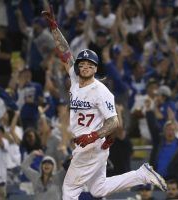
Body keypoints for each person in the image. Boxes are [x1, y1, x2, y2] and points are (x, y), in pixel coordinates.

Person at [41, 8, 167, 200]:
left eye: (89, 65)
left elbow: (114, 122)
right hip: (92, 143)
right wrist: (54, 28)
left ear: (95, 68)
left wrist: (93, 136)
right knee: (98, 189)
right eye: (82, 64)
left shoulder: (101, 91)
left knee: (69, 191)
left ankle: (142, 174)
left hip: (91, 143)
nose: (84, 67)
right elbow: (65, 51)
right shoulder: (75, 78)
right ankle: (141, 174)